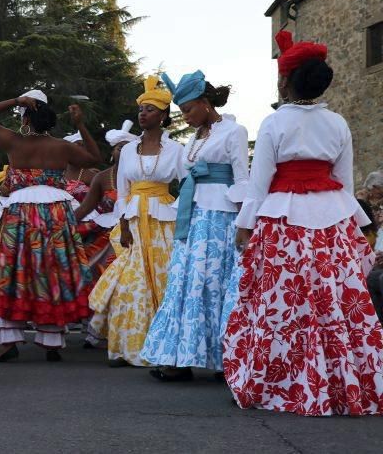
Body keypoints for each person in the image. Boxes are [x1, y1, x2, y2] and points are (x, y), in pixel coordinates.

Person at [223, 31, 383, 416]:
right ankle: (344, 382)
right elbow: (344, 182)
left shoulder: (274, 123)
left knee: (284, 304)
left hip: (283, 223)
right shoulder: (338, 123)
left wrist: (244, 227)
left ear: (284, 80)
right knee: (336, 304)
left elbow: (259, 184)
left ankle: (284, 380)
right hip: (332, 223)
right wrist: (358, 226)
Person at [0, 89, 100, 362]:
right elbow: (94, 158)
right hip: (56, 214)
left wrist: (15, 100)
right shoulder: (62, 147)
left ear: (26, 119)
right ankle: (52, 339)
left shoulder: (14, 142)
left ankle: (8, 340)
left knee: (14, 272)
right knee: (51, 273)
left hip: (20, 213)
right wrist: (80, 124)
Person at [138, 71, 249, 381]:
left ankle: (223, 359)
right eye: (182, 111)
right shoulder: (195, 138)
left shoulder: (234, 131)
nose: (185, 117)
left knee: (215, 287)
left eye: (188, 110)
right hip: (194, 214)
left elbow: (242, 178)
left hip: (221, 216)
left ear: (204, 102)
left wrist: (245, 223)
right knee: (185, 284)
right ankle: (179, 358)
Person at [87, 76, 184, 367]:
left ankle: (162, 348)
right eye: (141, 109)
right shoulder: (128, 150)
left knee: (164, 279)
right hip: (132, 221)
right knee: (131, 282)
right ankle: (125, 345)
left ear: (163, 115)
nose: (143, 114)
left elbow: (188, 184)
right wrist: (125, 225)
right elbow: (122, 192)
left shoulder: (176, 150)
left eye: (150, 109)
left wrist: (177, 211)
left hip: (163, 220)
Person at [74, 121, 138, 284]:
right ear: (112, 152)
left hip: (135, 232)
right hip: (104, 235)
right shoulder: (101, 177)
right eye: (119, 148)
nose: (123, 152)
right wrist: (63, 222)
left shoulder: (142, 176)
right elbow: (86, 208)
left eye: (127, 148)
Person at [63, 131, 99, 203]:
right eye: (78, 144)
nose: (81, 148)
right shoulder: (56, 173)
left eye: (84, 146)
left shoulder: (91, 176)